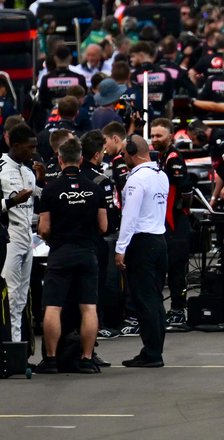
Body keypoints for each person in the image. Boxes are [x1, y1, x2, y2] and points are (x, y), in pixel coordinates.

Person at [35, 137, 107, 374]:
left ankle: (52, 359)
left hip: (60, 253)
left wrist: (54, 238)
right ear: (81, 159)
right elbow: (104, 226)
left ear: (59, 159)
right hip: (87, 252)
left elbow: (43, 228)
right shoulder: (95, 188)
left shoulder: (51, 189)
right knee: (88, 307)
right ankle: (87, 358)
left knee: (53, 307)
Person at [115, 134, 169, 368]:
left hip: (142, 242)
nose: (122, 158)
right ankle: (155, 348)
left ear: (131, 152)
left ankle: (151, 352)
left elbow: (130, 216)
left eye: (124, 153)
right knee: (155, 299)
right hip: (159, 239)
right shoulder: (161, 175)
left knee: (144, 299)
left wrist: (120, 248)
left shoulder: (136, 180)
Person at [1, 124, 44, 342]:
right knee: (9, 293)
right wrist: (11, 201)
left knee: (21, 296)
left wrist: (42, 179)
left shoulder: (28, 171)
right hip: (8, 236)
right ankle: (8, 346)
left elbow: (42, 197)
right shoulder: (0, 167)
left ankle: (17, 348)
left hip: (28, 236)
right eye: (29, 147)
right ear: (15, 145)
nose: (33, 152)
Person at [150, 119, 193, 331]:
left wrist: (180, 209)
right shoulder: (161, 156)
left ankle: (178, 311)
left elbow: (185, 189)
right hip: (164, 223)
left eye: (159, 135)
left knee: (176, 269)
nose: (154, 139)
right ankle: (171, 310)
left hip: (175, 223)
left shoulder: (174, 158)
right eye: (153, 135)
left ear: (170, 136)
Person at [79, 130, 121, 340]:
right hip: (96, 241)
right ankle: (99, 323)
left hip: (72, 241)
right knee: (98, 285)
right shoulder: (102, 181)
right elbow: (110, 219)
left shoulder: (70, 177)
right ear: (96, 154)